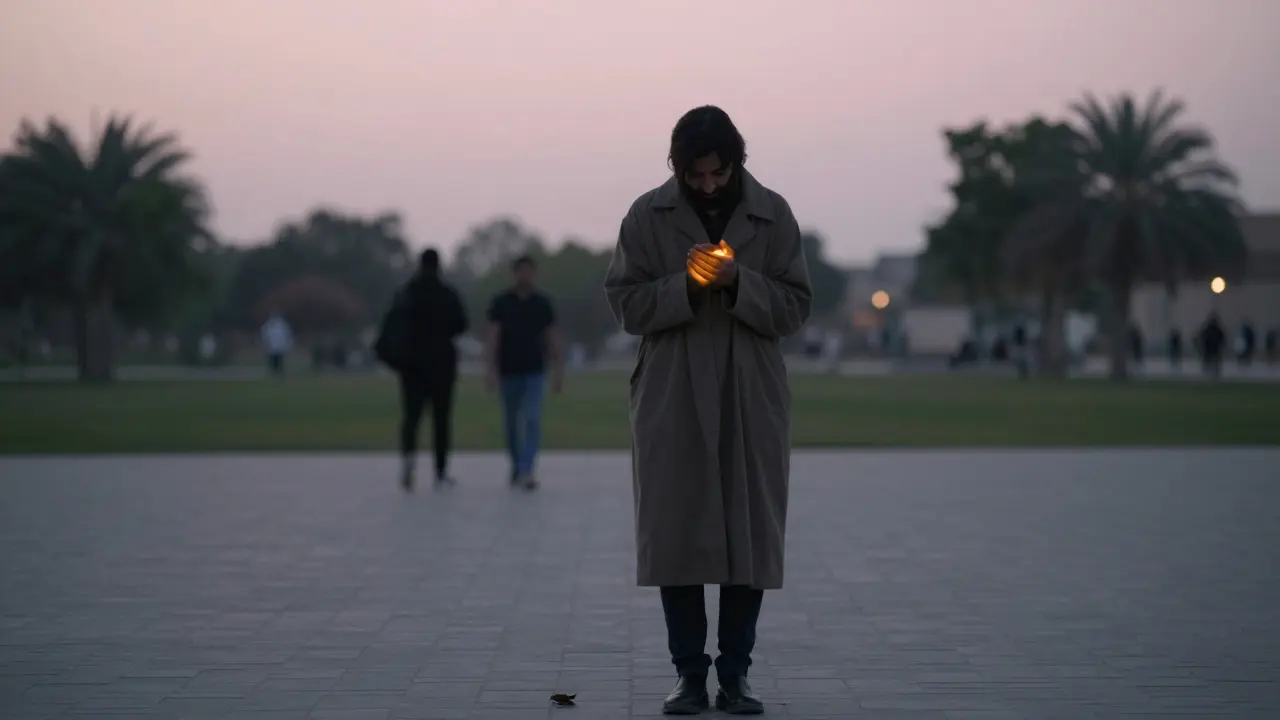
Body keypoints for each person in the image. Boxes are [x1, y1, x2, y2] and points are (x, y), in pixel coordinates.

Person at [604, 105, 812, 715]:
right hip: (672, 392)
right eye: (695, 175)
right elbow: (626, 306)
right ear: (677, 168)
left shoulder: (773, 215)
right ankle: (690, 677)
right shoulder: (646, 216)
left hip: (751, 391)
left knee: (750, 532)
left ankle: (737, 675)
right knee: (677, 531)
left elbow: (796, 307)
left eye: (717, 173)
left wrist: (736, 280)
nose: (707, 185)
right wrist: (689, 285)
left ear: (734, 163)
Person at [484, 255, 563, 490]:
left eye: (529, 271)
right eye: (521, 271)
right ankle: (517, 465)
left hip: (534, 371)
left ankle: (527, 469)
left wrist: (559, 370)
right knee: (510, 424)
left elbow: (552, 337)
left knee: (531, 420)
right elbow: (493, 338)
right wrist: (490, 369)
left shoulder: (542, 304)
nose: (525, 276)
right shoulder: (501, 303)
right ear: (515, 273)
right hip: (508, 370)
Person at [393, 248, 469, 491]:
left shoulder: (407, 294)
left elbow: (394, 324)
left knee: (411, 418)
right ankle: (440, 471)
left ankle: (408, 461)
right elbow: (461, 324)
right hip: (442, 365)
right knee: (441, 420)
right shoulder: (447, 294)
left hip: (412, 366)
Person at [260, 310, 293, 379]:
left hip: (279, 347)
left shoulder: (282, 325)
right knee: (273, 362)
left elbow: (287, 335)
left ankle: (278, 374)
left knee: (279, 362)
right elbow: (265, 335)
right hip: (273, 347)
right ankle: (274, 374)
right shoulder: (269, 325)